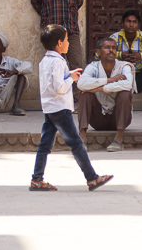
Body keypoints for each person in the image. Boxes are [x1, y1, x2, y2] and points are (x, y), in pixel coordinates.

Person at [30, 24, 113, 192]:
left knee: (45, 145)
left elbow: (53, 82)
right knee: (76, 144)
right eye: (67, 40)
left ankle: (36, 179)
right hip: (60, 109)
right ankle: (92, 178)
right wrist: (72, 78)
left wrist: (69, 73)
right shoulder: (58, 62)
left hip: (49, 108)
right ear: (60, 43)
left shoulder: (45, 61)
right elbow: (59, 87)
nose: (68, 43)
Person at [31, 0, 84, 99]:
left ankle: (77, 99)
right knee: (56, 66)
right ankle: (58, 98)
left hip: (71, 29)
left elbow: (79, 0)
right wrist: (47, 15)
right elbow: (35, 0)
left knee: (76, 64)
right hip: (52, 32)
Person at [78, 37, 136, 152]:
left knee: (124, 94)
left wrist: (99, 89)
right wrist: (109, 80)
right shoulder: (93, 67)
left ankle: (118, 139)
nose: (111, 50)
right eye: (107, 48)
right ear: (98, 52)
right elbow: (81, 84)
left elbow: (128, 85)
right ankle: (82, 137)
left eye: (114, 48)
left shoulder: (124, 66)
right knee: (85, 94)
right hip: (97, 119)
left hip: (119, 118)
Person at [107, 10, 142, 113]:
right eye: (128, 21)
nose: (131, 25)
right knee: (107, 61)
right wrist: (121, 55)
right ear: (122, 24)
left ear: (138, 25)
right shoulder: (115, 38)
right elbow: (99, 55)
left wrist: (141, 56)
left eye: (134, 22)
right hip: (120, 78)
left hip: (139, 80)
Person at [0, 31, 32, 115]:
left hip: (7, 100)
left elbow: (29, 66)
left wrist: (13, 72)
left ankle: (15, 106)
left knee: (21, 75)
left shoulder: (10, 61)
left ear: (3, 49)